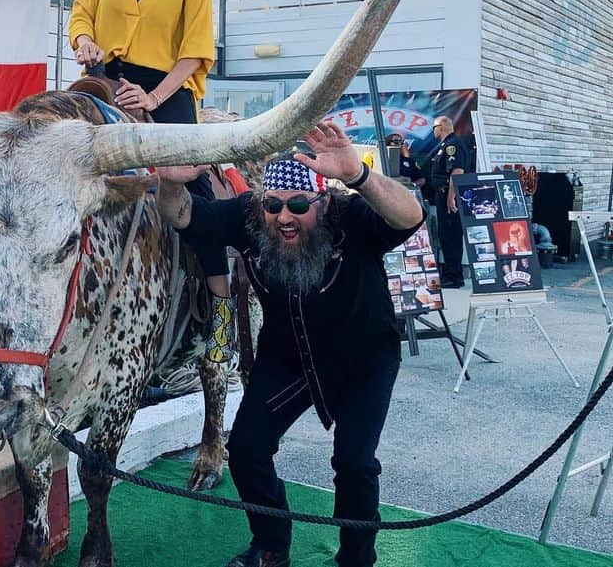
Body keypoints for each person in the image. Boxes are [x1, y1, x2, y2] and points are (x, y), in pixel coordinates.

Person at [158, 122, 425, 567]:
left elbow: (409, 215)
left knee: (355, 463)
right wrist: (169, 183)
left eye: (299, 205)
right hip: (288, 357)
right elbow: (182, 214)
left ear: (321, 203)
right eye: (274, 206)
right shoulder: (248, 217)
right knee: (245, 449)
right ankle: (270, 545)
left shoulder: (350, 216)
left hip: (364, 357)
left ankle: (356, 559)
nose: (284, 217)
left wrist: (358, 175)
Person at [68, 0, 228, 298]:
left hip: (165, 89)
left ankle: (219, 315)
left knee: (195, 188)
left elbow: (195, 52)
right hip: (102, 81)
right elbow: (81, 14)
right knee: (56, 156)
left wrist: (153, 99)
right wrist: (84, 43)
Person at [429, 116, 469, 288]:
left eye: (434, 127)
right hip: (443, 195)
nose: (433, 131)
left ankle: (453, 277)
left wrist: (451, 197)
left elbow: (457, 172)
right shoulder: (445, 145)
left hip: (448, 196)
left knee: (451, 236)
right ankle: (450, 274)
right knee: (446, 236)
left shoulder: (452, 145)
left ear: (442, 127)